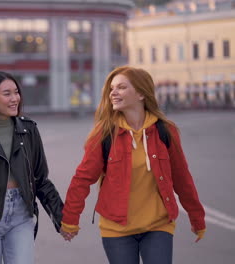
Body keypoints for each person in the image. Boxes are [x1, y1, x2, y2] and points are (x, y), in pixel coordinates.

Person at [61, 66, 206, 264]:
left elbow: (182, 178)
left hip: (158, 225)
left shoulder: (166, 131)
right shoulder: (104, 134)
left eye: (121, 87)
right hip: (116, 229)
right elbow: (82, 179)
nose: (113, 93)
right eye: (112, 88)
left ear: (140, 93)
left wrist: (196, 217)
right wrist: (70, 219)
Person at [0, 71, 64, 264]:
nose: (15, 99)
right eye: (7, 94)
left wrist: (62, 217)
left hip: (21, 214)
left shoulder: (28, 129)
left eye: (16, 92)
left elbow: (40, 179)